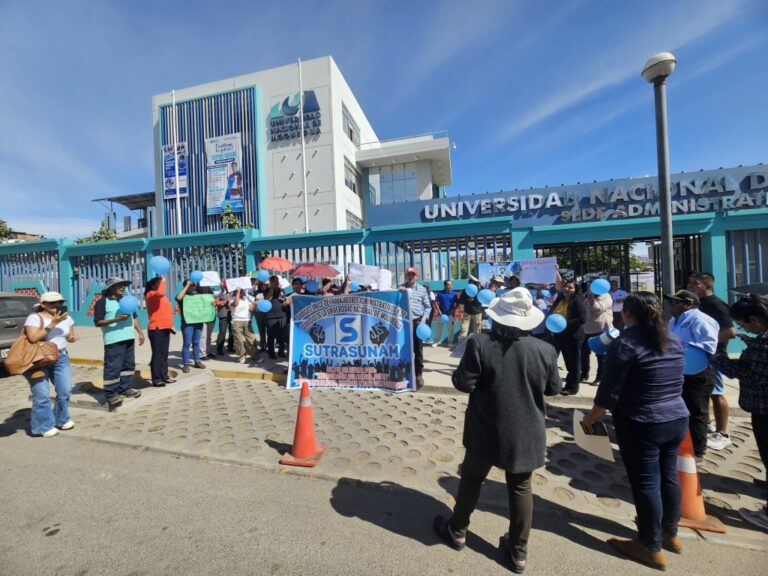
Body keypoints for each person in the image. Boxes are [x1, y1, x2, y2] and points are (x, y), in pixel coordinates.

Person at [433, 288, 561, 574]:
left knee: (471, 479)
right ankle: (518, 553)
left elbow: (463, 383)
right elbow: (554, 389)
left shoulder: (479, 343)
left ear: (498, 317)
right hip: (526, 431)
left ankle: (457, 530)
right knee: (521, 488)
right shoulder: (545, 350)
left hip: (485, 428)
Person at [582, 292, 688, 571]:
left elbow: (609, 393)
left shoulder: (625, 343)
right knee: (668, 476)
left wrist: (590, 419)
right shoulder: (673, 340)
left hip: (642, 421)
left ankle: (650, 546)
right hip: (676, 417)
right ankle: (670, 532)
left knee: (646, 484)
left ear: (628, 314)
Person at [714, 294, 768, 530]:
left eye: (743, 324)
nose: (742, 328)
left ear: (755, 319)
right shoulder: (761, 342)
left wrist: (717, 358)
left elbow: (741, 371)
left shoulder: (763, 347)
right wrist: (752, 343)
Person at [667, 289, 719, 461]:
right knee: (681, 409)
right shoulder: (673, 320)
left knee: (696, 411)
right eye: (671, 302)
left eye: (675, 302)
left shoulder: (701, 319)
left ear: (689, 304)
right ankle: (681, 445)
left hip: (697, 372)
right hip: (678, 370)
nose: (671, 305)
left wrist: (681, 348)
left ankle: (697, 451)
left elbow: (709, 347)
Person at [688, 272, 736, 451]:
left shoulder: (716, 304)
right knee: (703, 393)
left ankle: (722, 433)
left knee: (717, 393)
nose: (690, 286)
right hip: (699, 356)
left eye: (695, 283)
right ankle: (707, 424)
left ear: (707, 285)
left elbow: (730, 332)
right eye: (690, 283)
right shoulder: (698, 303)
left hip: (713, 356)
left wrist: (706, 344)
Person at [23, 291, 78, 437]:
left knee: (65, 391)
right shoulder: (34, 318)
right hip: (39, 360)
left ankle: (61, 419)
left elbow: (70, 335)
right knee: (41, 394)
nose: (57, 305)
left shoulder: (67, 318)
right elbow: (33, 338)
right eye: (53, 303)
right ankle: (43, 426)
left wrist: (72, 338)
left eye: (60, 302)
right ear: (43, 304)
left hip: (61, 357)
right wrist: (53, 323)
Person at [93, 277, 145, 408]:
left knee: (128, 366)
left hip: (129, 338)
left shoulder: (126, 301)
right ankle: (111, 394)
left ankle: (125, 388)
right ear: (110, 288)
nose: (122, 288)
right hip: (113, 340)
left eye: (124, 285)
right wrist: (116, 319)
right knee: (113, 368)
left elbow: (134, 317)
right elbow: (98, 322)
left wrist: (140, 332)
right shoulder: (102, 302)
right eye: (119, 285)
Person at [550, 278, 586, 396]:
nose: (567, 289)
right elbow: (552, 312)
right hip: (560, 335)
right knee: (568, 362)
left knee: (574, 363)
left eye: (570, 287)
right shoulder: (560, 298)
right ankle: (568, 385)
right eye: (565, 286)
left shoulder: (577, 301)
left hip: (573, 336)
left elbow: (582, 319)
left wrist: (564, 323)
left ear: (575, 290)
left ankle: (573, 387)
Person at [400, 267, 431, 389]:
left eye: (413, 275)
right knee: (403, 348)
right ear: (406, 276)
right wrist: (399, 293)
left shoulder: (422, 290)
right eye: (409, 275)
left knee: (418, 350)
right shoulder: (400, 288)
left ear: (417, 277)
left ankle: (418, 374)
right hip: (404, 322)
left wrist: (424, 318)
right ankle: (405, 372)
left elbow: (428, 306)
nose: (411, 277)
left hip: (418, 322)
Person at [144, 276, 176, 387]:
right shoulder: (150, 294)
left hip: (165, 327)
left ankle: (164, 376)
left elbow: (165, 311)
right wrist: (163, 280)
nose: (162, 284)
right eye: (159, 283)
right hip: (156, 329)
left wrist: (171, 325)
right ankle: (156, 379)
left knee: (164, 354)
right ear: (153, 285)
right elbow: (160, 293)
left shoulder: (161, 297)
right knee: (157, 355)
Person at [580, 280, 613, 386]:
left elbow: (598, 309)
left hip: (601, 329)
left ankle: (600, 377)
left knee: (601, 355)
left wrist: (592, 300)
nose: (591, 287)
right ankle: (584, 373)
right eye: (589, 285)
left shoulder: (606, 296)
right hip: (586, 329)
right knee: (584, 354)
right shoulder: (586, 296)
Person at [176, 279, 207, 374]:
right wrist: (187, 285)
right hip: (187, 323)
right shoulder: (183, 296)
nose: (192, 287)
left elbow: (205, 304)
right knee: (187, 343)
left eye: (193, 285)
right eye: (190, 285)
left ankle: (197, 361)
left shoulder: (197, 295)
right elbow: (178, 298)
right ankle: (186, 364)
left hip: (198, 322)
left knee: (196, 342)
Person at [230, 288, 260, 364]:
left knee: (251, 339)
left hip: (247, 321)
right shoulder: (232, 298)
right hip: (236, 321)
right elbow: (235, 304)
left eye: (242, 291)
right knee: (239, 341)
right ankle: (241, 357)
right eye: (240, 291)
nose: (242, 292)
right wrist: (238, 292)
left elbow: (251, 309)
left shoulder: (246, 299)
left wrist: (254, 304)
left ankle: (255, 356)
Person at [264, 276, 288, 359]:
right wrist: (272, 288)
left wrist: (285, 300)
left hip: (282, 315)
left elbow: (284, 300)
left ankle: (281, 352)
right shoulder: (267, 290)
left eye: (277, 281)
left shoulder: (282, 290)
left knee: (282, 335)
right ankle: (271, 353)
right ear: (270, 282)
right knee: (271, 336)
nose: (276, 283)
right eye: (274, 281)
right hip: (271, 316)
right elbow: (267, 298)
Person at [457, 277, 483, 345]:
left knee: (477, 331)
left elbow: (485, 295)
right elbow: (460, 301)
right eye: (470, 282)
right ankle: (461, 345)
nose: (471, 283)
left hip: (477, 313)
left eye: (473, 282)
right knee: (463, 330)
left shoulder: (480, 290)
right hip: (467, 313)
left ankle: (476, 345)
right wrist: (467, 300)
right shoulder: (465, 290)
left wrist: (481, 285)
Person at [433, 280, 458, 347]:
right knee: (438, 329)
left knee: (451, 329)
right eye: (448, 285)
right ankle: (436, 341)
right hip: (441, 315)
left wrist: (453, 309)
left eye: (451, 285)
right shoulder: (440, 293)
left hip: (450, 315)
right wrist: (439, 311)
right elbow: (436, 302)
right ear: (445, 285)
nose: (450, 286)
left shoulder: (454, 294)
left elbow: (457, 303)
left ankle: (450, 342)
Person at [215, 286, 234, 355]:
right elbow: (216, 303)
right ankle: (219, 348)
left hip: (232, 315)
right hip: (223, 315)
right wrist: (225, 302)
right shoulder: (220, 293)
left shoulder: (234, 293)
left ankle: (230, 347)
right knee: (222, 332)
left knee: (232, 332)